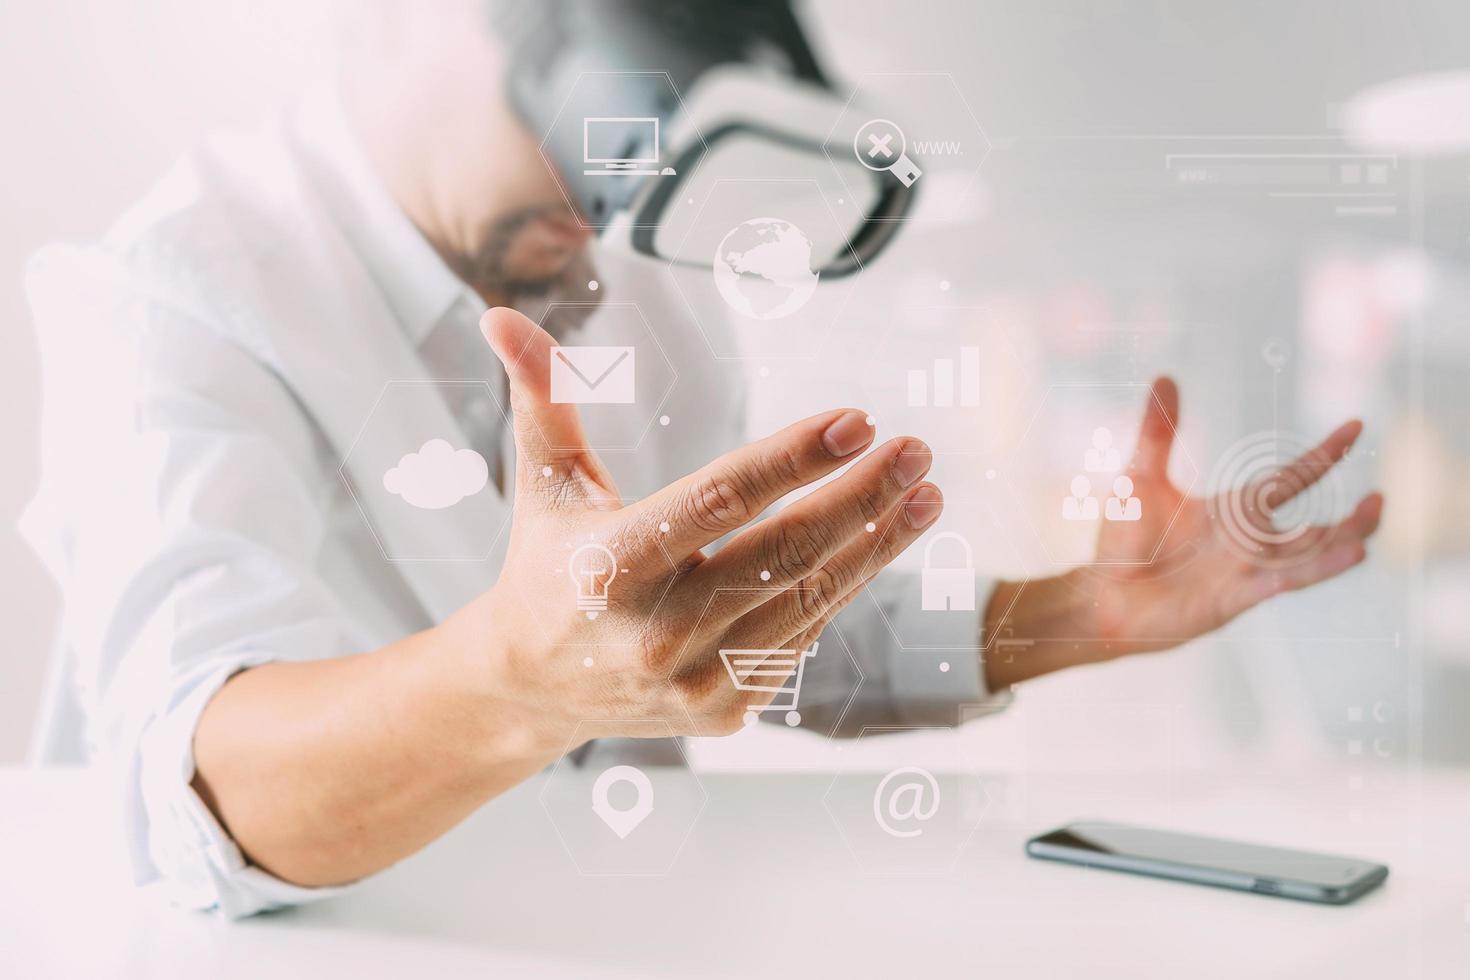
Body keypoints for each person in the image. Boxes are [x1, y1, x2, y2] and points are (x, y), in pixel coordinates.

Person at [21, 1, 1383, 917]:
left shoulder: (642, 290)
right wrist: (520, 679)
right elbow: (193, 787)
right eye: (568, 124)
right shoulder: (170, 291)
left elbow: (733, 644)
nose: (601, 190)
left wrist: (1074, 615)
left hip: (600, 921)